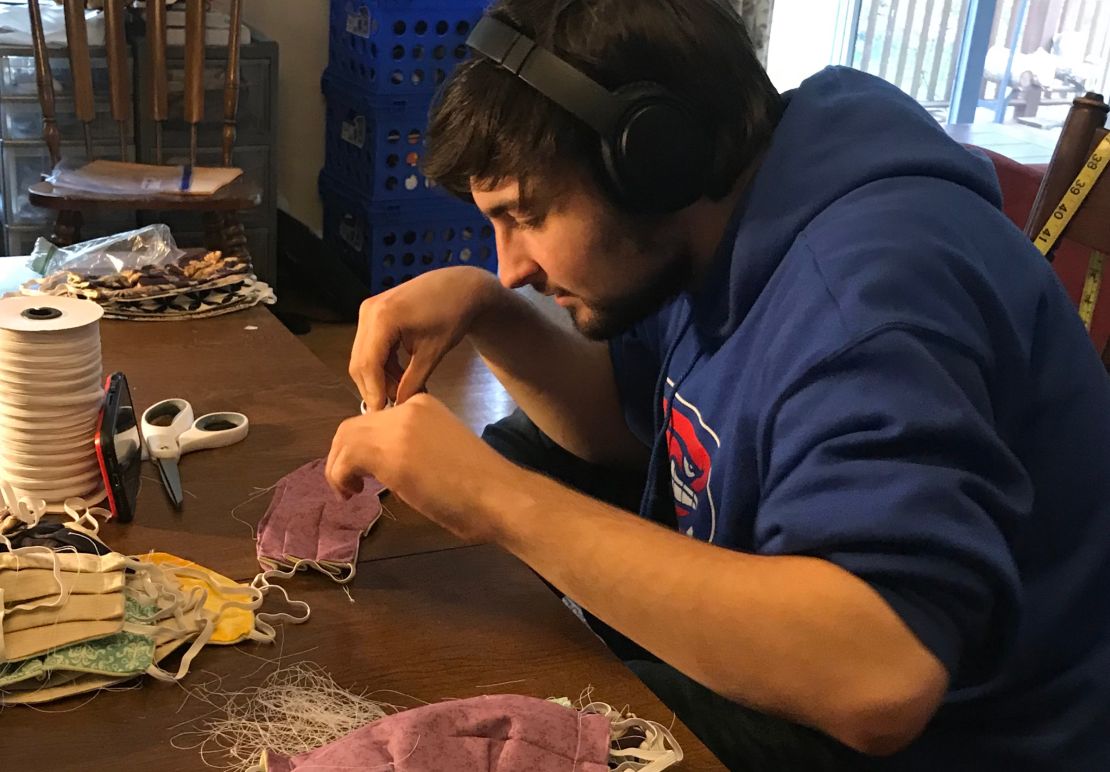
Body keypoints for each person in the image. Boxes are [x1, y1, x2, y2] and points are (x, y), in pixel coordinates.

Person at [325, 0, 1110, 768]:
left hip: (959, 736)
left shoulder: (870, 300)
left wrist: (497, 501)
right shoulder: (733, 207)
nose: (514, 264)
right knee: (519, 464)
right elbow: (634, 428)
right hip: (843, 652)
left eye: (525, 215)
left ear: (648, 158)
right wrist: (485, 308)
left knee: (507, 720)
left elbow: (880, 677)